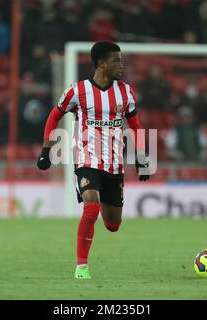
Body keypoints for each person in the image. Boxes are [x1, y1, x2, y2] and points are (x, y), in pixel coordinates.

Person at [36, 41, 149, 279]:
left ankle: (100, 226)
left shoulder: (125, 92)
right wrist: (46, 150)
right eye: (116, 60)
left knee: (112, 225)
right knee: (91, 207)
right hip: (86, 160)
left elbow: (135, 125)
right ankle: (81, 267)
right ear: (101, 63)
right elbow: (54, 116)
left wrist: (141, 155)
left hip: (114, 164)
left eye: (121, 60)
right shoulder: (77, 91)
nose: (121, 65)